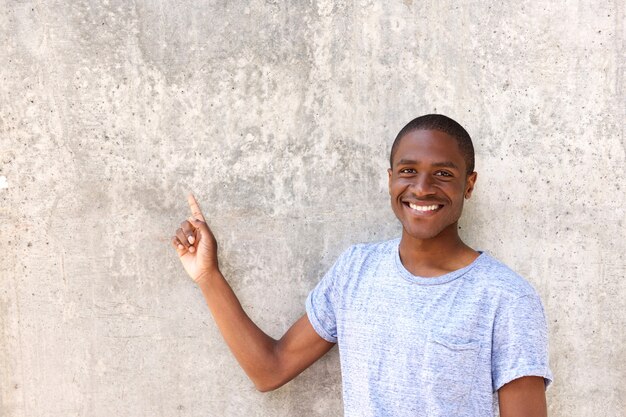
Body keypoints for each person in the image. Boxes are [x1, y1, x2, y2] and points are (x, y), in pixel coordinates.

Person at [171, 114, 552, 417]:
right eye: (407, 171)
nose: (421, 188)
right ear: (390, 180)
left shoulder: (506, 297)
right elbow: (269, 369)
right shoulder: (356, 270)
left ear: (468, 185)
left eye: (443, 173)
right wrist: (208, 276)